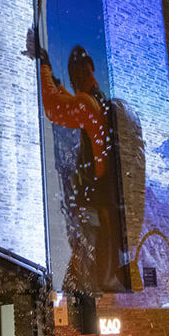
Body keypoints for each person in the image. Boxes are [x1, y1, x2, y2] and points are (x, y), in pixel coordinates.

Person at [40, 45, 125, 291]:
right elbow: (73, 104)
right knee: (82, 277)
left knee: (82, 280)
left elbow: (55, 108)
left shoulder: (89, 105)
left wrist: (44, 66)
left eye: (74, 73)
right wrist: (57, 83)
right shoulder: (99, 102)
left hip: (94, 210)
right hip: (104, 209)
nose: (75, 78)